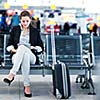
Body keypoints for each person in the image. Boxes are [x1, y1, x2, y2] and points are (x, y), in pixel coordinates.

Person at [3, 10, 44, 97]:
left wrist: (33, 48)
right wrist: (14, 50)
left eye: (27, 21)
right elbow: (9, 45)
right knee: (23, 54)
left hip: (32, 56)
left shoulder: (35, 31)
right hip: (17, 55)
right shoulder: (15, 29)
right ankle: (27, 85)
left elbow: (41, 47)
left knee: (23, 49)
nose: (25, 23)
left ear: (30, 20)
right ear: (20, 20)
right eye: (23, 21)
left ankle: (12, 74)